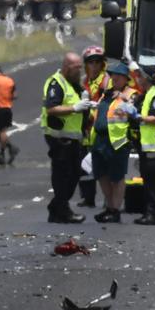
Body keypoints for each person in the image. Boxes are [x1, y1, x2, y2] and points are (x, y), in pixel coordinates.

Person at [43, 52, 93, 224]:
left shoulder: (73, 84)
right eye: (76, 67)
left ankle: (57, 207)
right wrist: (74, 108)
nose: (79, 71)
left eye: (80, 67)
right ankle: (61, 210)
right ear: (66, 67)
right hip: (60, 138)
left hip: (74, 138)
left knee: (73, 176)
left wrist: (87, 106)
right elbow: (51, 108)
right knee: (63, 176)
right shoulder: (56, 83)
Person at [90, 61, 139, 223]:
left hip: (118, 141)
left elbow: (134, 113)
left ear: (126, 79)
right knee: (101, 174)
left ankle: (115, 210)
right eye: (113, 76)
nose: (115, 79)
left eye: (118, 76)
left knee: (117, 177)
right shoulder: (106, 94)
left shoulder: (131, 94)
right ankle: (109, 206)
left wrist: (124, 99)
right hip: (100, 140)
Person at [130, 62, 155, 225]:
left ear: (146, 78)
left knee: (153, 182)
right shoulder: (146, 94)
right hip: (145, 145)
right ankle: (148, 213)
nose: (137, 79)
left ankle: (153, 215)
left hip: (153, 145)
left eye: (139, 76)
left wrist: (138, 117)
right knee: (147, 180)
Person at [77, 46, 112, 208]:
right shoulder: (83, 83)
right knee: (84, 166)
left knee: (105, 167)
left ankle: (109, 198)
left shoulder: (107, 82)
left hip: (102, 131)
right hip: (85, 130)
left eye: (98, 62)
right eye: (91, 62)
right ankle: (87, 197)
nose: (94, 65)